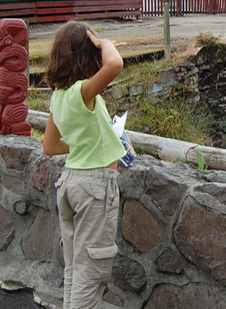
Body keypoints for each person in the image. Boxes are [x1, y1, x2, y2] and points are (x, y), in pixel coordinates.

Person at [43, 20, 126, 308]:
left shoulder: (59, 96)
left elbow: (50, 146)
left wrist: (85, 141)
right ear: (87, 55)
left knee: (75, 267)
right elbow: (115, 66)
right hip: (94, 187)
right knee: (90, 275)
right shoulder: (82, 93)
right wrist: (107, 45)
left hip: (70, 183)